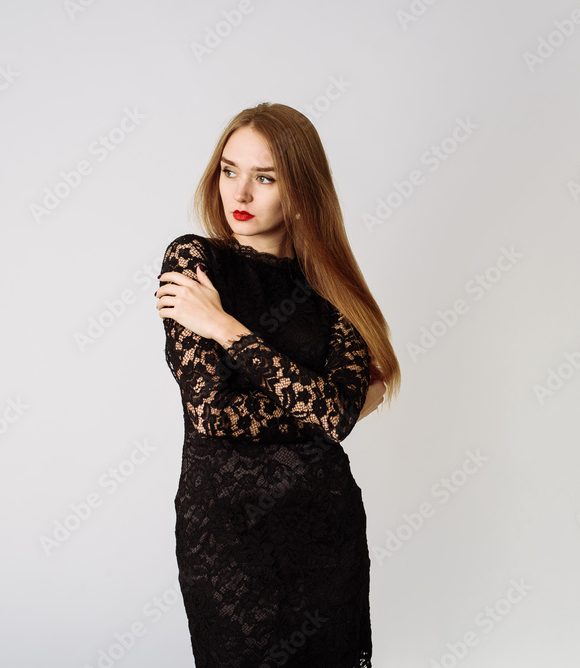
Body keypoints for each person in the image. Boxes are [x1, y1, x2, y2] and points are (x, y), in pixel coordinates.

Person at [154, 102, 400, 668]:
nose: (239, 194)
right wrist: (326, 407)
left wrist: (224, 328)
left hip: (321, 527)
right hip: (226, 536)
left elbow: (334, 418)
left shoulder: (333, 296)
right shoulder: (194, 262)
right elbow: (213, 414)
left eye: (264, 178)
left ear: (301, 191)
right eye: (229, 170)